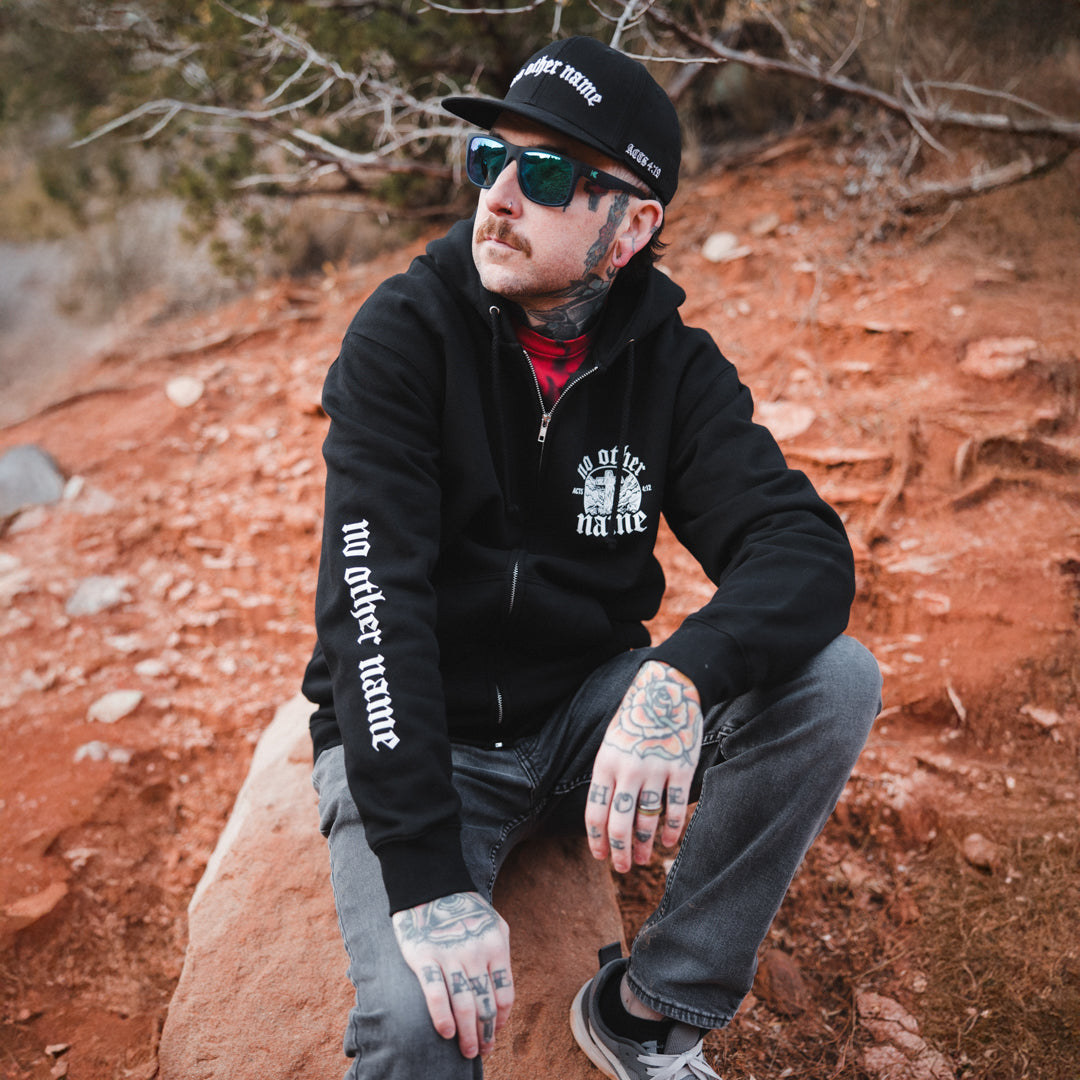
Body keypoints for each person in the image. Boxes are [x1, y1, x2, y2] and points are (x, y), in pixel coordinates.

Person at [302, 34, 881, 1080]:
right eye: (492, 161)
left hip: (581, 728)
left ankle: (653, 1009)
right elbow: (370, 607)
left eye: (553, 173)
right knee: (421, 1026)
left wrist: (677, 677)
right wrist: (431, 881)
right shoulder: (403, 336)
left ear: (633, 226)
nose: (503, 196)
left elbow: (801, 547)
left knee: (834, 679)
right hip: (425, 742)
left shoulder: (674, 364)